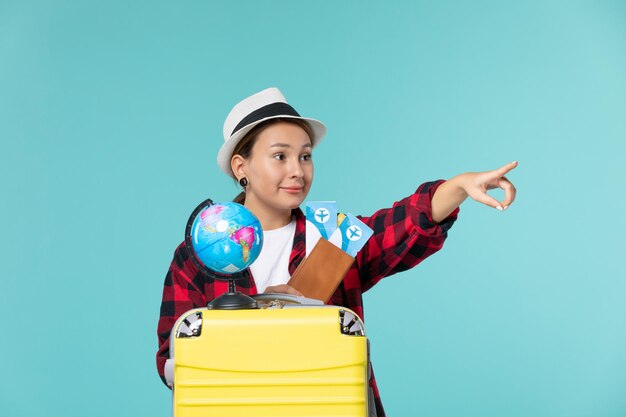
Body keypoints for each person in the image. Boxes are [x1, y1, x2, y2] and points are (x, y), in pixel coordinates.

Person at [156, 87, 518, 416]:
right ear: (241, 167)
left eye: (306, 156)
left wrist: (458, 186)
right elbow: (174, 361)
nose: (297, 171)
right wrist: (256, 310)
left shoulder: (333, 237)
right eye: (279, 156)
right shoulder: (198, 254)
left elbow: (400, 226)